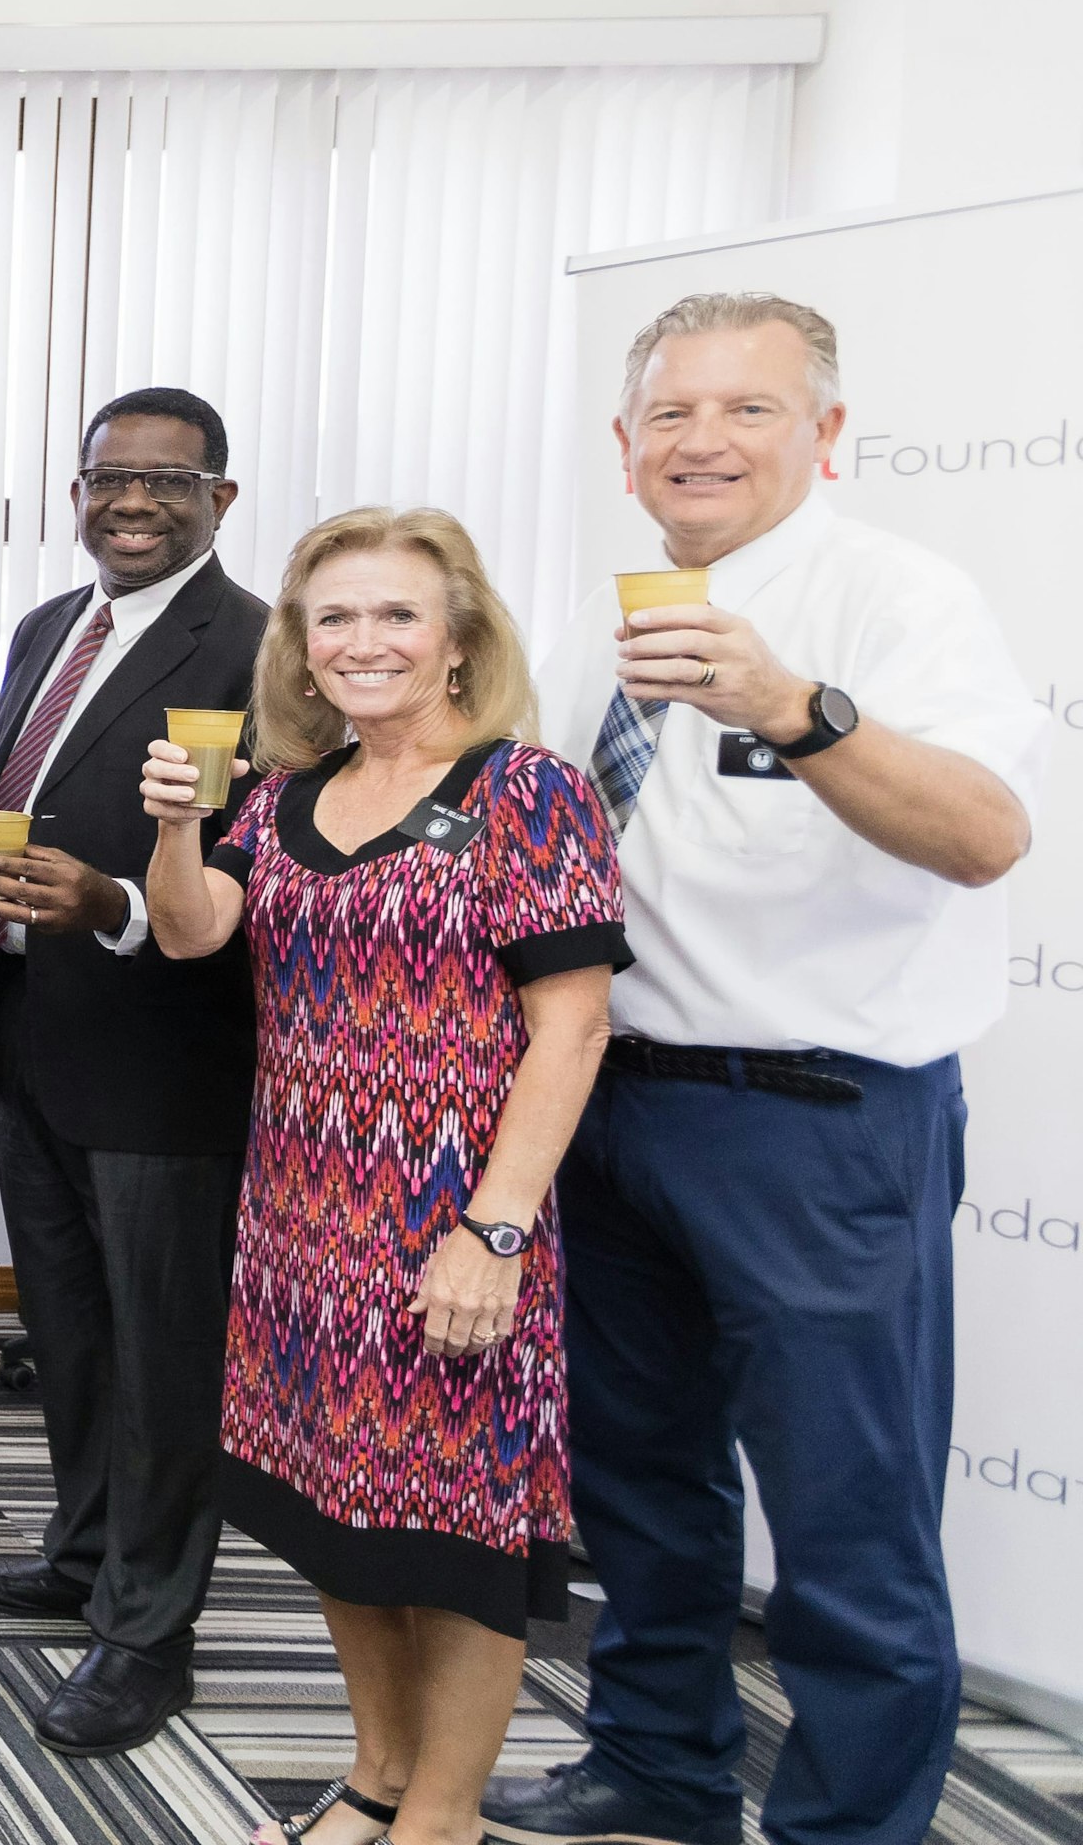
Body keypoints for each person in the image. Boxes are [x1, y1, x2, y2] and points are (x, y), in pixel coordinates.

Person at [487, 295, 1041, 1845]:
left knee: (848, 1517)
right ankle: (658, 1760)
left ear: (828, 435)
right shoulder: (589, 608)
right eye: (671, 413)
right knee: (642, 1486)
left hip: (815, 1123)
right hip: (611, 1103)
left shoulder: (892, 597)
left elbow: (986, 834)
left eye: (748, 411)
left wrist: (795, 710)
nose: (704, 441)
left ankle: (852, 1825)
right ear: (623, 444)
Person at [140, 506, 626, 1845]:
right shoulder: (286, 798)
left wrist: (497, 1229)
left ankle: (444, 1817)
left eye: (397, 614)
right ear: (300, 645)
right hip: (299, 1229)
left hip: (456, 1229)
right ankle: (375, 1775)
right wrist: (179, 831)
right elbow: (194, 937)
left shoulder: (526, 792)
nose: (364, 641)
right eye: (334, 617)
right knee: (330, 1517)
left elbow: (572, 1027)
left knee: (457, 1539)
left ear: (459, 638)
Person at [0, 386, 271, 1755]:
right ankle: (82, 1554)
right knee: (69, 1335)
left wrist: (114, 904)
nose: (130, 502)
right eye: (106, 479)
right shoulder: (46, 628)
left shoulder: (263, 647)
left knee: (161, 1353)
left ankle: (148, 1635)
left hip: (162, 1056)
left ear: (220, 500)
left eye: (164, 481)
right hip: (30, 1032)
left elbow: (252, 864)